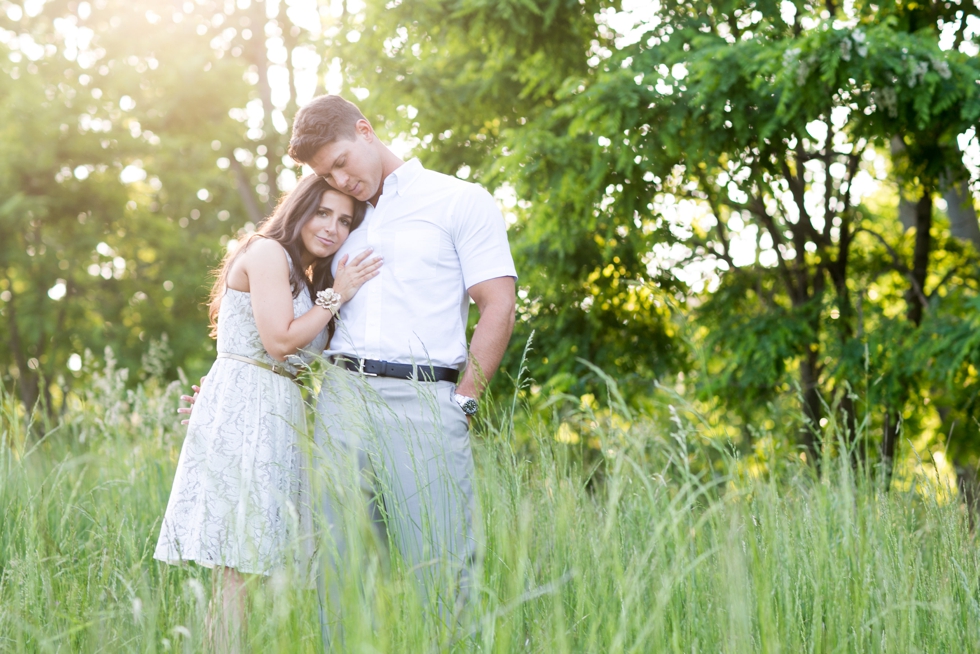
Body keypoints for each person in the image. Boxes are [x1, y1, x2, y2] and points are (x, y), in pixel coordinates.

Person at [287, 95, 517, 642]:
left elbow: (498, 304)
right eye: (325, 173)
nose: (340, 178)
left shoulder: (458, 200)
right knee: (341, 573)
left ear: (366, 131)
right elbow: (287, 305)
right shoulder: (339, 220)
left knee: (441, 570)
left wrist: (463, 402)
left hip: (426, 402)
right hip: (341, 397)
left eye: (341, 161)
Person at [154, 174, 382, 650]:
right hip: (249, 410)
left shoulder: (307, 276)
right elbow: (279, 342)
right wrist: (340, 293)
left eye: (345, 221)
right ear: (300, 208)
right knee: (235, 565)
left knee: (259, 562)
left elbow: (294, 362)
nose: (333, 228)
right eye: (323, 213)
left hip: (277, 415)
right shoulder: (266, 253)